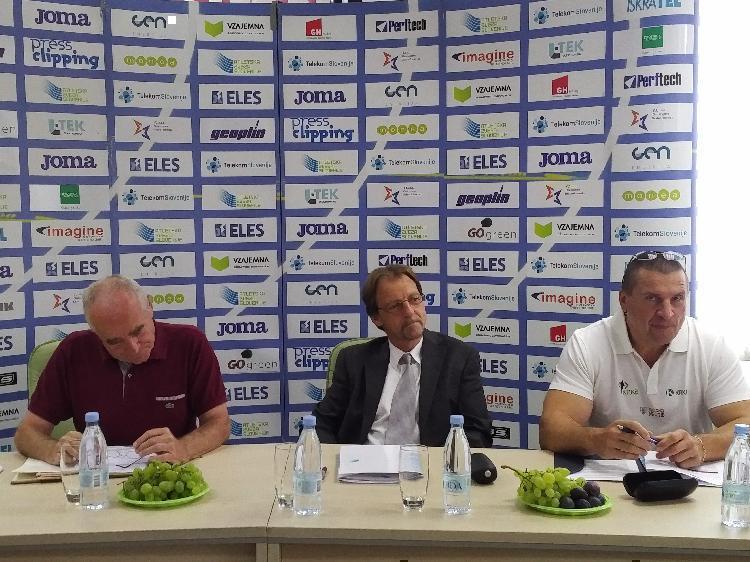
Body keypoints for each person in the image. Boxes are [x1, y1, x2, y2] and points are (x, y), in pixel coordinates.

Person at [540, 250, 750, 468]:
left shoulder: (711, 345)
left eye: (677, 299)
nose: (667, 313)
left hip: (688, 480)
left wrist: (701, 445)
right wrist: (597, 440)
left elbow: (745, 423)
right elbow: (552, 429)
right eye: (652, 299)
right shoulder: (587, 342)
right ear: (624, 301)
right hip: (607, 479)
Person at [15, 275, 230, 465]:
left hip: (170, 475)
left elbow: (219, 423)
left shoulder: (190, 343)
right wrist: (53, 450)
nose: (133, 348)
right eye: (115, 342)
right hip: (96, 480)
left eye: (138, 331)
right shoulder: (74, 350)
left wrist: (183, 448)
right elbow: (27, 433)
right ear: (96, 334)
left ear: (150, 306)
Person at [312, 264, 492, 448]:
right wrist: (334, 459)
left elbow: (478, 432)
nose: (409, 311)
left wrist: (446, 460)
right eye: (396, 306)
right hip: (364, 460)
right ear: (376, 318)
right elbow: (321, 424)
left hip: (431, 462)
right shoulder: (353, 360)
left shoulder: (459, 358)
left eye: (414, 299)